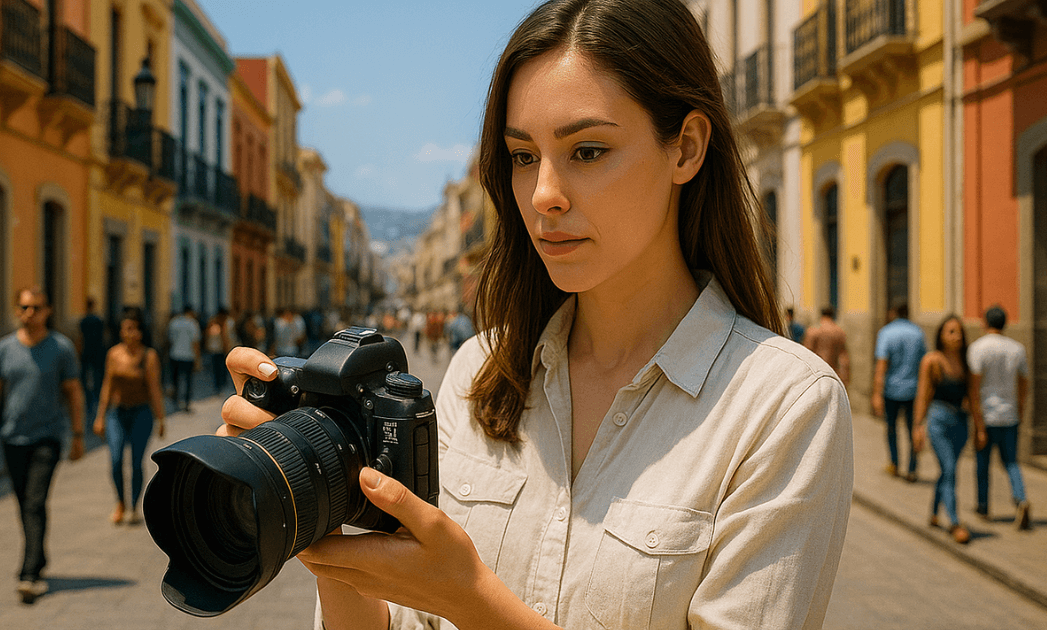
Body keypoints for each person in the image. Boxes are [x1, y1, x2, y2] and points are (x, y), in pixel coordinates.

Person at [218, 1, 853, 628]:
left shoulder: (783, 406)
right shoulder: (479, 373)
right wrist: (313, 506)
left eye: (588, 151)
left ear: (685, 148)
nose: (544, 194)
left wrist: (471, 601)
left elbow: (456, 600)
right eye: (523, 157)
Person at [0, 287, 85, 604]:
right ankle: (38, 558)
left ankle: (29, 573)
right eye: (24, 308)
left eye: (36, 308)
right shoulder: (5, 348)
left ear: (47, 311)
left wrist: (77, 436)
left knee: (35, 502)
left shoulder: (61, 348)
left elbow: (74, 392)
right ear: (17, 310)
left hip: (47, 438)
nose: (29, 313)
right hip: (12, 437)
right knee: (24, 503)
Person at [93, 306, 166, 525]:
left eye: (134, 328)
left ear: (141, 332)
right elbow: (107, 385)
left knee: (135, 462)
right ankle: (120, 503)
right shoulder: (113, 354)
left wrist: (161, 418)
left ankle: (133, 506)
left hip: (141, 413)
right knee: (115, 460)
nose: (130, 333)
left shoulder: (149, 356)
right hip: (117, 413)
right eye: (126, 328)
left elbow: (154, 389)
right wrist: (100, 416)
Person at [911, 315, 979, 544]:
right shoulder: (932, 361)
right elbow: (922, 395)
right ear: (941, 334)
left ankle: (933, 512)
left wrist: (980, 428)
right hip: (938, 420)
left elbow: (974, 397)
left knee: (947, 471)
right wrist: (917, 427)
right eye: (951, 331)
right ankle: (954, 521)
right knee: (949, 469)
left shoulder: (966, 362)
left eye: (959, 331)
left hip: (961, 423)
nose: (956, 336)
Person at [968, 305, 1032, 530]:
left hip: (986, 415)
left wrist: (977, 422)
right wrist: (1020, 409)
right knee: (1011, 461)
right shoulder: (1017, 349)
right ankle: (1020, 498)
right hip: (1010, 415)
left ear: (986, 322)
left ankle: (983, 505)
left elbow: (974, 387)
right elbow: (1024, 383)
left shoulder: (978, 348)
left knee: (983, 464)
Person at [871, 303, 926, 481]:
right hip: (913, 390)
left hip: (892, 390)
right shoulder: (918, 333)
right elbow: (923, 364)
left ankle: (894, 464)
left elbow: (881, 365)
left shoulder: (886, 333)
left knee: (891, 428)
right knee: (913, 429)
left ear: (894, 312)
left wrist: (877, 393)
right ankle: (912, 469)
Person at [804, 306, 851, 386]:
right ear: (832, 316)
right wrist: (845, 378)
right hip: (833, 373)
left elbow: (806, 354)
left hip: (817, 374)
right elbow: (844, 358)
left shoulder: (813, 331)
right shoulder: (839, 332)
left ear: (821, 316)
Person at [167, 306, 201, 412]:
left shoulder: (174, 322)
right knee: (188, 381)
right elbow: (195, 343)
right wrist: (197, 360)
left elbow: (169, 340)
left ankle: (176, 402)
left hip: (174, 355)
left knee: (175, 380)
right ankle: (186, 403)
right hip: (188, 356)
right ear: (190, 312)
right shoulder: (192, 323)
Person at [78, 298, 105, 419]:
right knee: (97, 377)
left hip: (87, 352)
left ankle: (89, 403)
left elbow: (80, 338)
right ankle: (97, 401)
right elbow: (103, 336)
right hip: (97, 352)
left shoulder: (84, 321)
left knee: (85, 378)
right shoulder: (98, 320)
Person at [204, 308, 231, 393]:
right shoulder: (219, 325)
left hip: (216, 350)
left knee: (219, 369)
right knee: (219, 369)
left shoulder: (219, 325)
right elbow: (224, 338)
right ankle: (219, 385)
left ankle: (219, 385)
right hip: (218, 350)